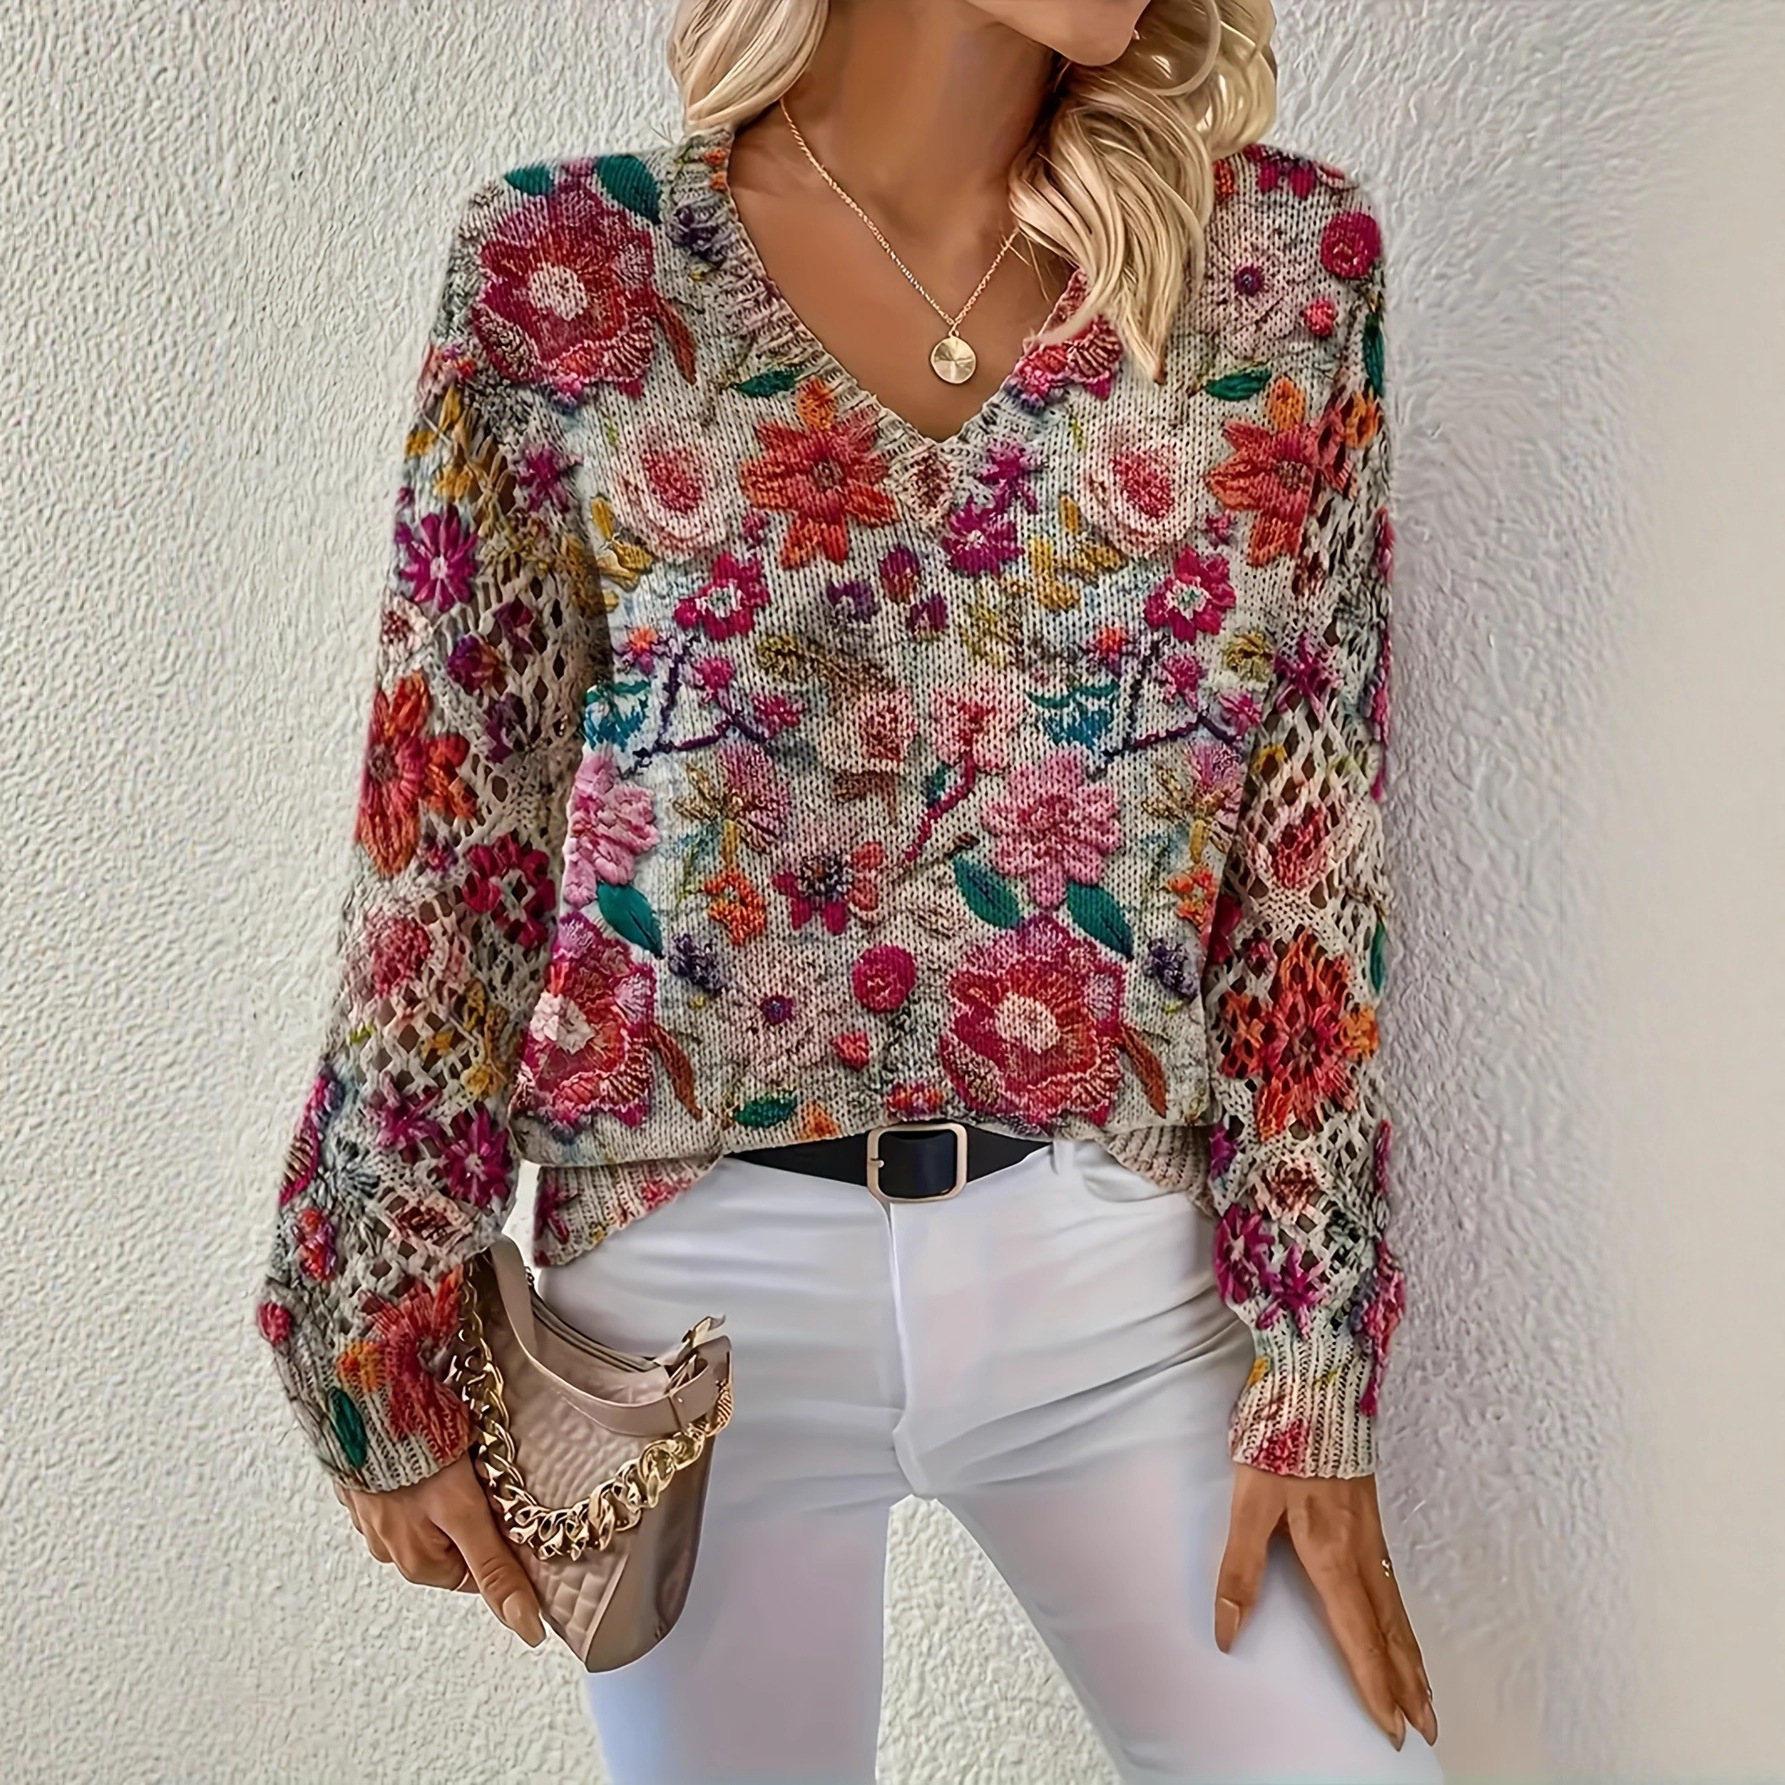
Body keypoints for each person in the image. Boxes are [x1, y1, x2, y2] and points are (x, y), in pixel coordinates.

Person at [256, 0, 1442, 1778]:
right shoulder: (569, 271)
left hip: (1119, 1277)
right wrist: (370, 1299)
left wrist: (1313, 1358)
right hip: (688, 1315)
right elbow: (449, 829)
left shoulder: (1279, 271)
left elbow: (1310, 852)